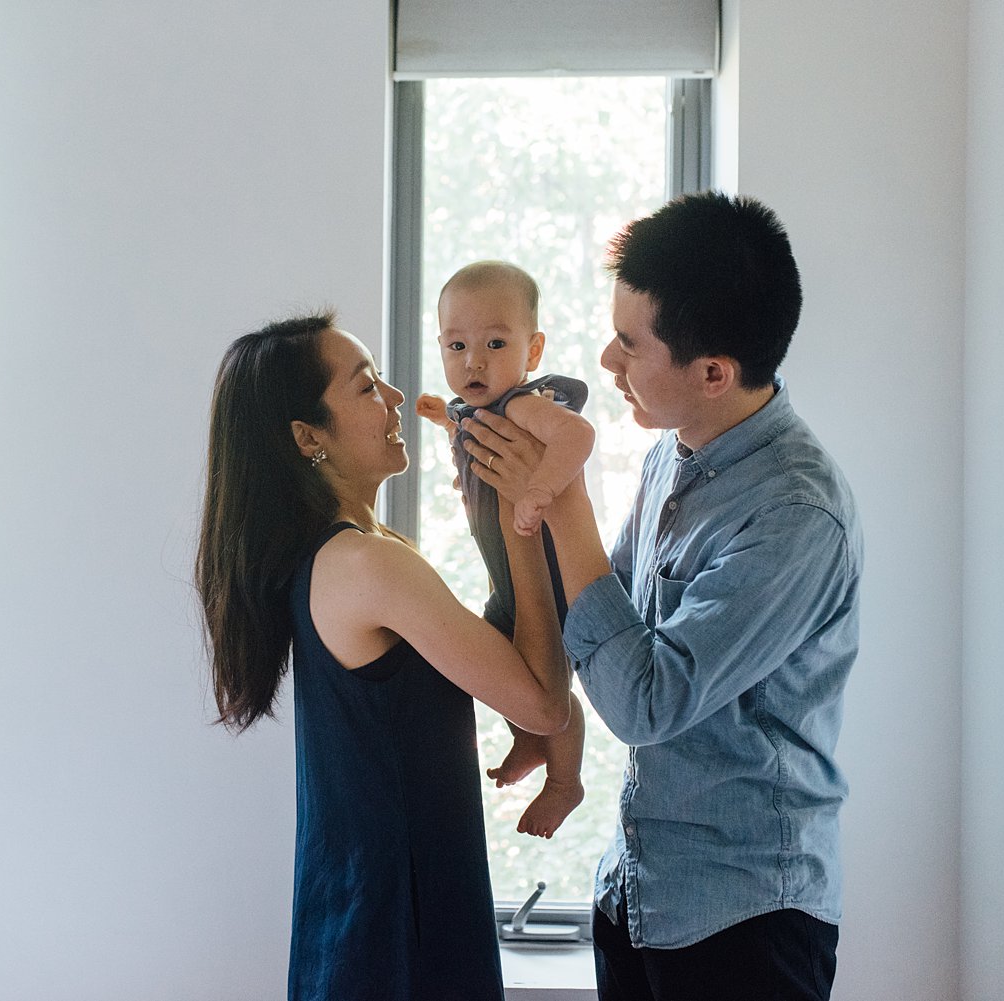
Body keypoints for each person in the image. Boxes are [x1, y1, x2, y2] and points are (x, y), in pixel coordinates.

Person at [458, 192, 863, 1001]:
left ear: (714, 373)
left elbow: (646, 701)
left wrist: (562, 495)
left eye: (630, 344)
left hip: (745, 923)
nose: (606, 361)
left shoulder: (795, 515)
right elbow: (599, 619)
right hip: (640, 895)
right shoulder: (672, 456)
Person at [195, 312, 573, 1001]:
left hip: (377, 916)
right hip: (395, 933)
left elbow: (499, 654)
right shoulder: (364, 563)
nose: (397, 397)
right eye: (367, 387)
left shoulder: (364, 549)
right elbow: (543, 700)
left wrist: (496, 510)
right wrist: (525, 510)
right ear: (309, 437)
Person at [415, 260, 592, 838]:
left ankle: (566, 780)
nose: (474, 361)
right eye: (457, 345)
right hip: (508, 584)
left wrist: (539, 489)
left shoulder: (525, 403)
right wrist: (446, 422)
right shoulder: (479, 411)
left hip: (550, 579)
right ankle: (528, 739)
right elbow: (476, 448)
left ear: (533, 349)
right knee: (496, 668)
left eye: (495, 343)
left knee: (549, 683)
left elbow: (578, 435)